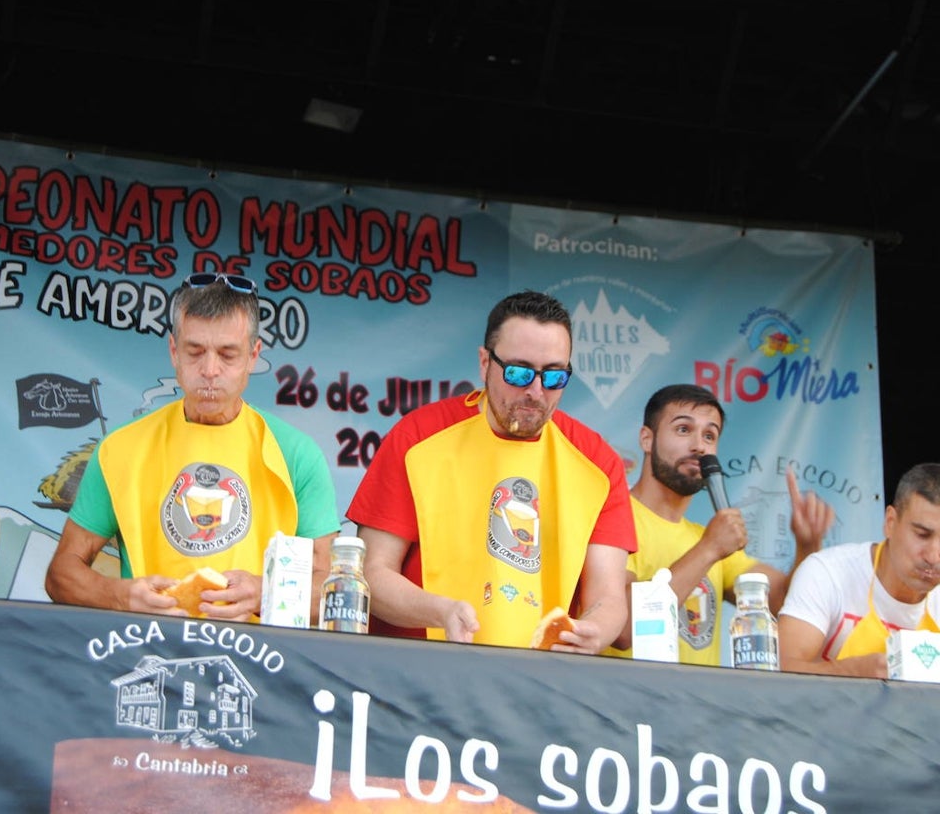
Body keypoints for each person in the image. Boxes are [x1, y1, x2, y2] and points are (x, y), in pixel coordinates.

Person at [346, 290, 636, 652]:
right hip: (424, 670)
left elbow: (608, 596)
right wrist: (441, 611)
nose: (535, 390)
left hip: (542, 680)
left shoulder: (597, 462)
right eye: (518, 372)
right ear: (485, 363)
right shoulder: (418, 437)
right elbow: (371, 573)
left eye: (554, 377)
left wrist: (593, 631)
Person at [44, 272, 340, 620]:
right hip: (146, 652)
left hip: (260, 661)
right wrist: (120, 596)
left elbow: (334, 589)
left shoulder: (296, 453)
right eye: (195, 351)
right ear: (173, 350)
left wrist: (267, 592)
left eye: (228, 354)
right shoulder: (121, 449)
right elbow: (60, 575)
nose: (210, 370)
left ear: (253, 356)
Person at [606, 384, 832, 665]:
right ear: (646, 439)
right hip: (627, 704)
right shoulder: (612, 516)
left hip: (701, 704)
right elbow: (622, 628)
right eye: (683, 429)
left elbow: (783, 604)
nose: (699, 445)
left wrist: (807, 547)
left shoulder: (707, 538)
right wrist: (709, 548)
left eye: (709, 435)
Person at [779, 463, 940, 678]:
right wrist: (850, 672)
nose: (933, 556)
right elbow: (778, 673)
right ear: (890, 522)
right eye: (922, 534)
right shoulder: (827, 573)